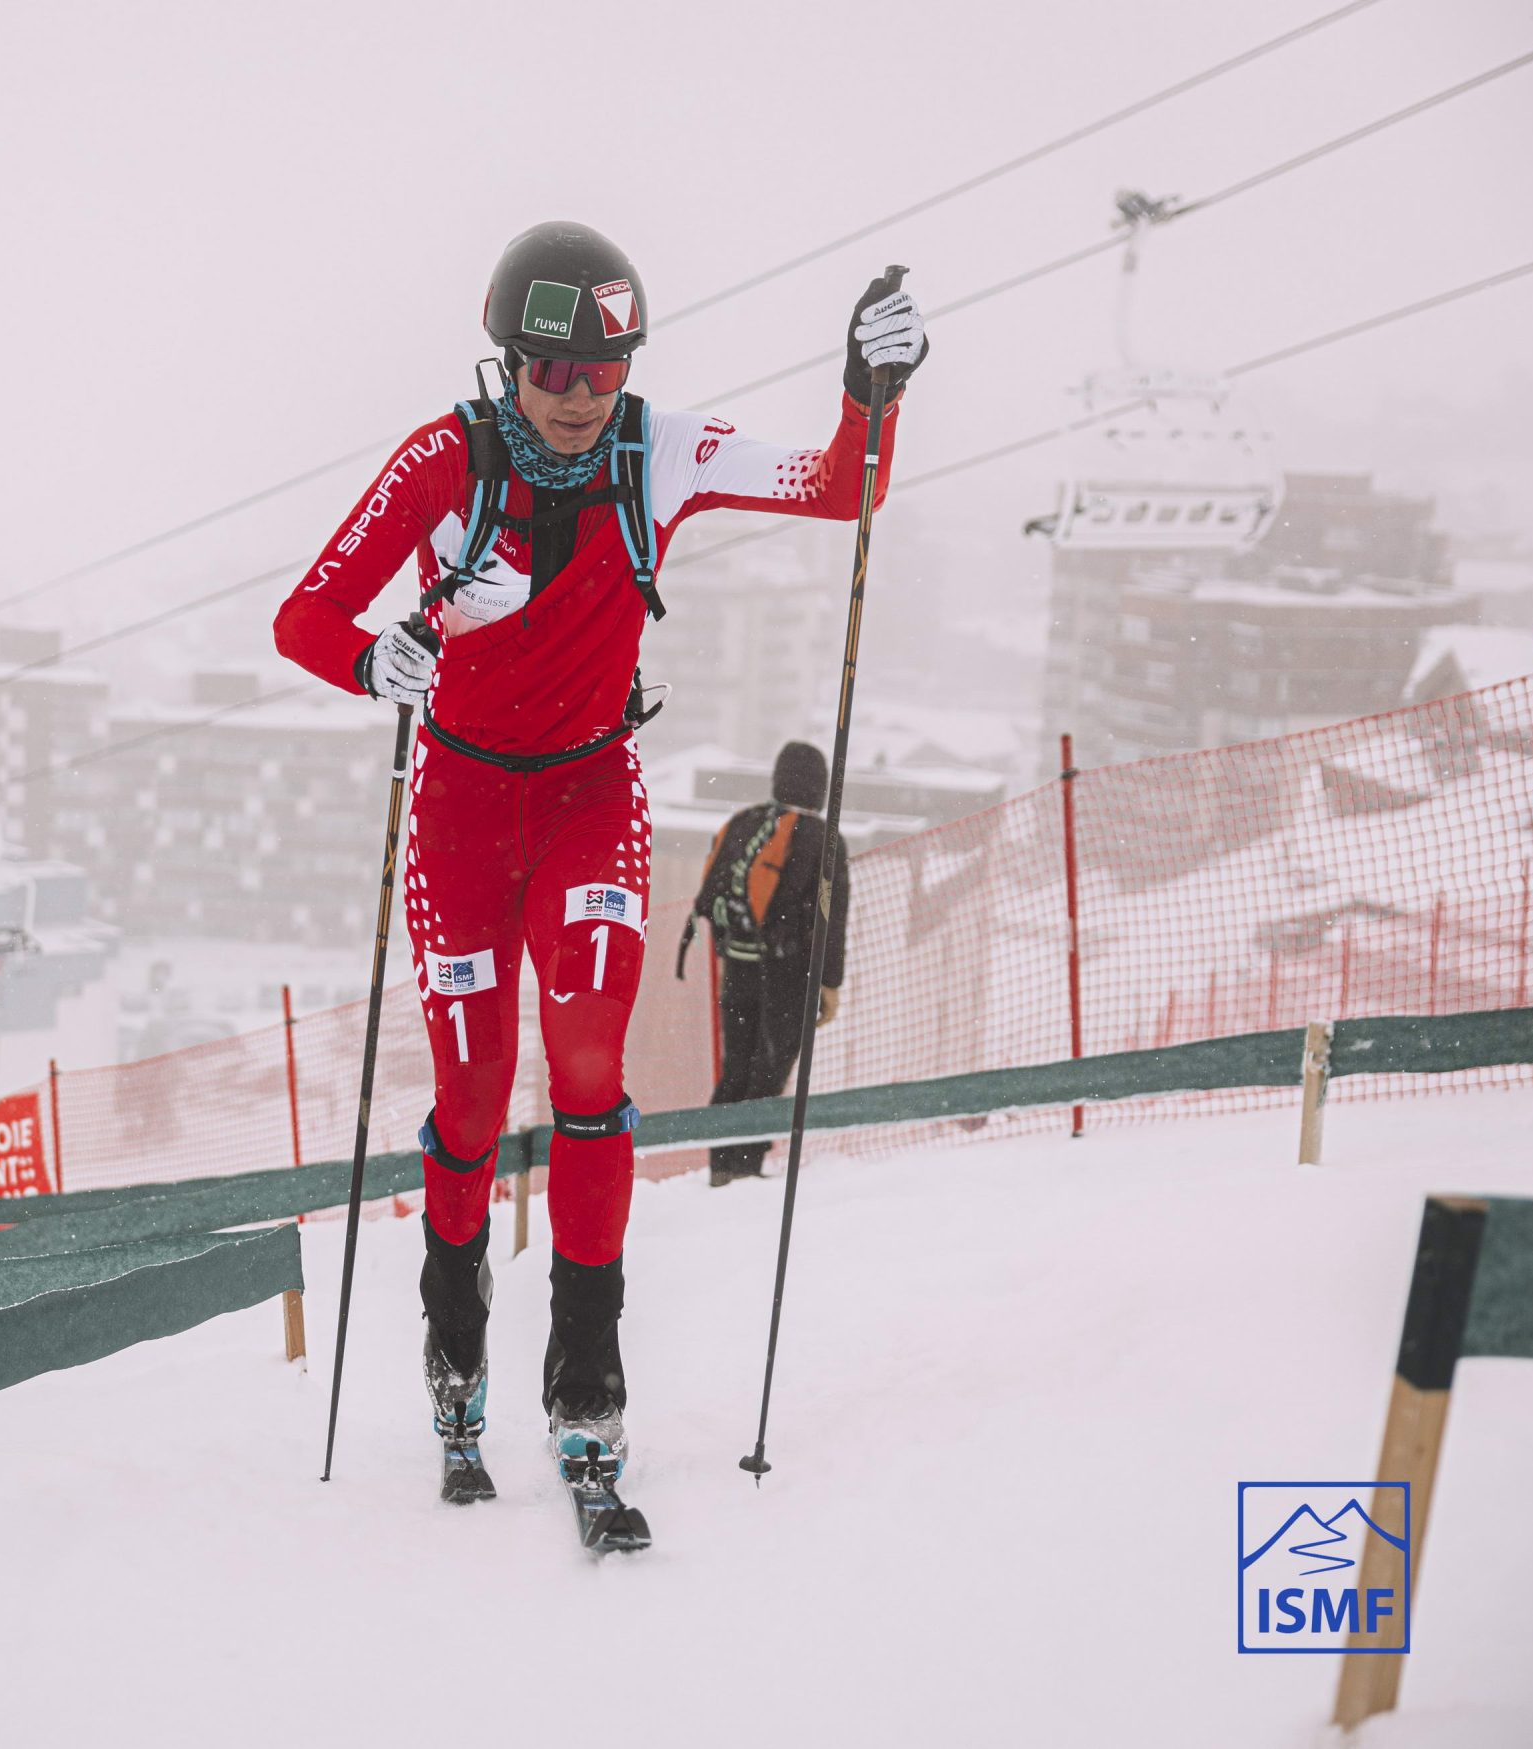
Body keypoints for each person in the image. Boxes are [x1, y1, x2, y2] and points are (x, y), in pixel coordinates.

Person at [272, 221, 925, 1492]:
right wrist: (377, 662)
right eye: (552, 373)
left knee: (586, 1069)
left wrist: (867, 393)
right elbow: (306, 617)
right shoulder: (441, 460)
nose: (579, 399)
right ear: (503, 364)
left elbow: (841, 487)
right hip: (459, 810)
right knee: (472, 1097)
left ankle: (586, 1379)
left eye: (605, 371)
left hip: (587, 798)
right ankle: (452, 1342)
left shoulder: (658, 449)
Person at [685, 740, 852, 1185]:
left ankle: (721, 1165)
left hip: (737, 967)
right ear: (820, 787)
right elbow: (830, 920)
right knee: (770, 1068)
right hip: (787, 975)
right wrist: (829, 984)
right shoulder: (824, 839)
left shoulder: (745, 822)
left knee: (736, 1066)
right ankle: (746, 1166)